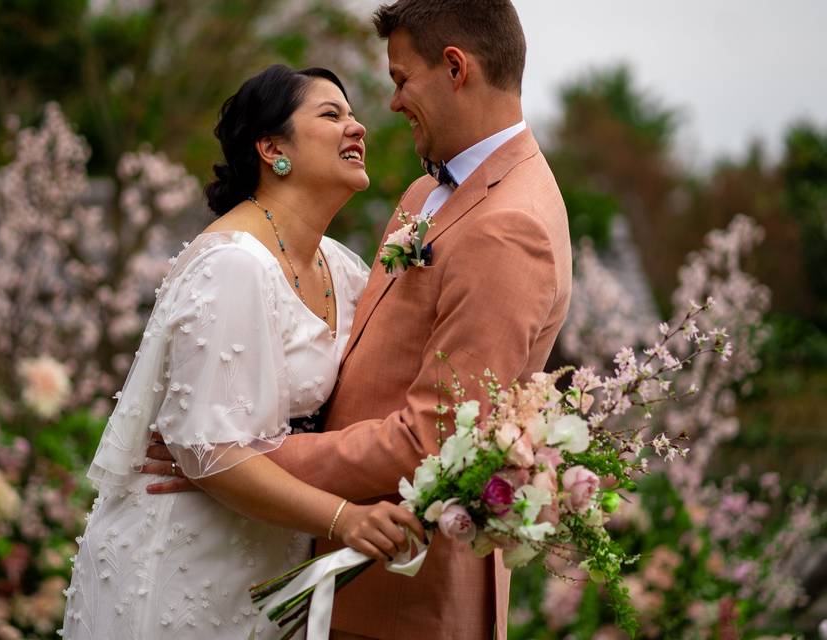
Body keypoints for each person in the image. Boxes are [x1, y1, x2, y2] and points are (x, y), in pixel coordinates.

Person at [148, 1, 572, 638]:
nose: (391, 105)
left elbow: (428, 441)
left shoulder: (508, 225)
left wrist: (237, 460)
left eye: (402, 80)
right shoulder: (427, 195)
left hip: (404, 591)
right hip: (328, 568)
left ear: (455, 68)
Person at [60, 64, 424, 640]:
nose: (357, 128)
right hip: (187, 564)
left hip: (270, 561)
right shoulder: (233, 265)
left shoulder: (347, 269)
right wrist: (344, 517)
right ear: (272, 147)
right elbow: (211, 450)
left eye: (353, 115)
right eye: (332, 115)